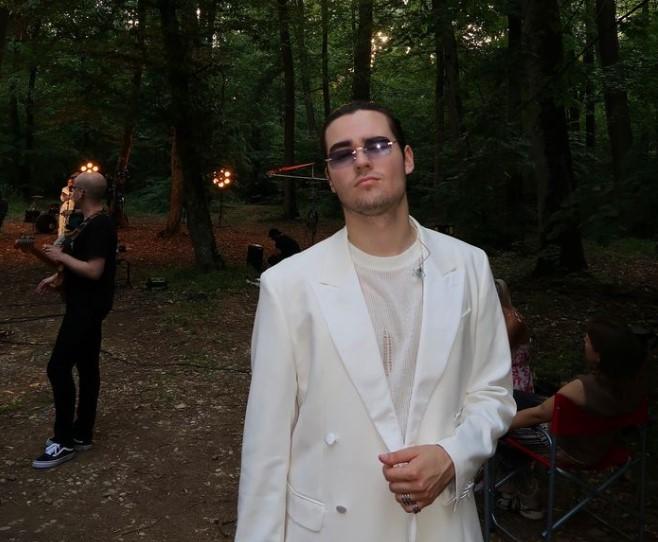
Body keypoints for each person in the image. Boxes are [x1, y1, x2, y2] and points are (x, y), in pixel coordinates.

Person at [236, 102, 515, 541]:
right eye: (342, 153)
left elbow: (493, 392)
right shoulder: (288, 285)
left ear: (407, 158)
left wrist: (454, 455)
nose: (361, 160)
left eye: (377, 145)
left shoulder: (468, 266)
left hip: (440, 526)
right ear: (330, 178)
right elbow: (266, 447)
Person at [497, 316, 647, 518]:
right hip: (604, 441)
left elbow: (537, 414)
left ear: (600, 356)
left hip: (568, 448)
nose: (584, 342)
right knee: (516, 398)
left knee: (502, 432)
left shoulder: (583, 388)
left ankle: (525, 493)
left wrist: (496, 425)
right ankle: (510, 487)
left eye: (588, 341)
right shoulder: (634, 387)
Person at [32, 171, 117, 469]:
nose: (70, 192)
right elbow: (80, 263)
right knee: (87, 366)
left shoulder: (100, 225)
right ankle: (82, 433)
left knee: (57, 367)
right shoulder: (88, 223)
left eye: (74, 188)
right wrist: (59, 276)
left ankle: (64, 440)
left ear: (82, 193)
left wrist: (61, 257)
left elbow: (94, 270)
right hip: (83, 303)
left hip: (88, 307)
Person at [495, 279, 534, 393]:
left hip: (514, 379)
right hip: (501, 373)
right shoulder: (499, 317)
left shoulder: (513, 321)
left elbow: (499, 352)